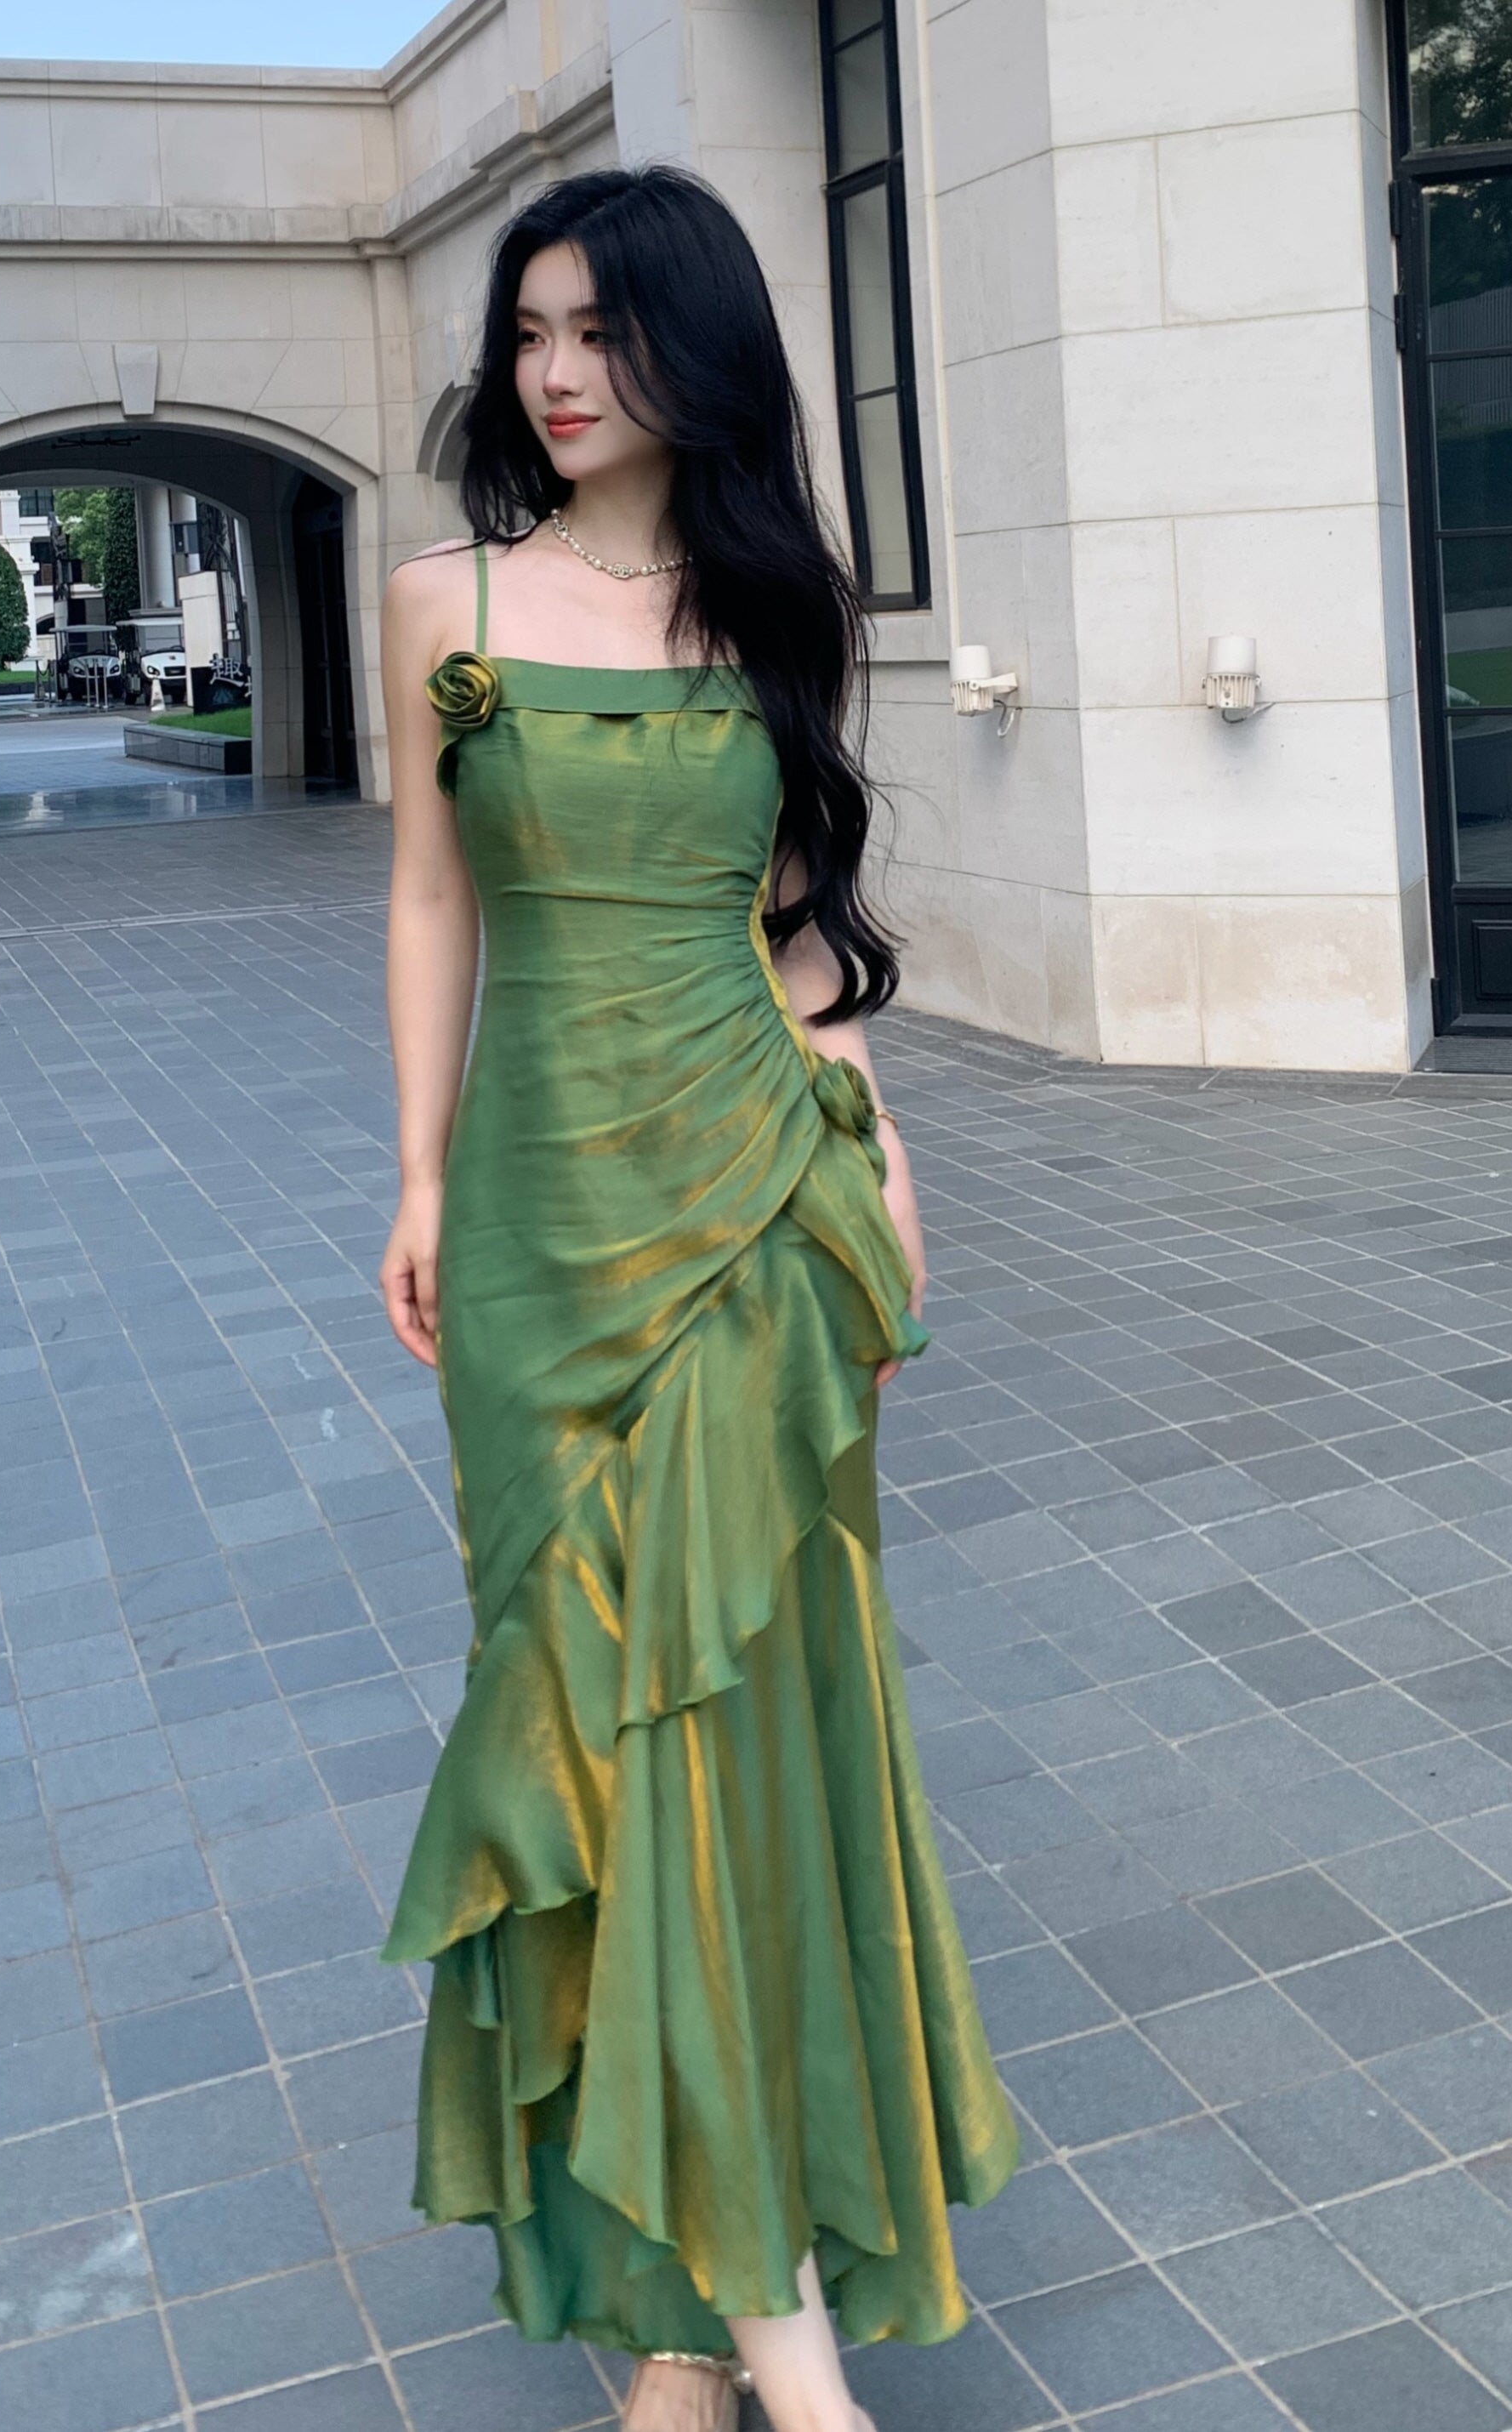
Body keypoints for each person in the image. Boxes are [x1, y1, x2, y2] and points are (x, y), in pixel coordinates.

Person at [376, 164, 1017, 2432]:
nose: (550, 372)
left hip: (754, 1198)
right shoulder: (442, 602)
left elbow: (794, 935)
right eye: (527, 331)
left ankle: (729, 2334)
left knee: (734, 1740)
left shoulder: (771, 609)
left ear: (690, 351)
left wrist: (883, 1162)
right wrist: (425, 1168)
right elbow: (433, 893)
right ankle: (705, 2304)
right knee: (576, 1721)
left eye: (594, 333)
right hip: (545, 1239)